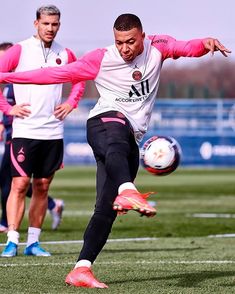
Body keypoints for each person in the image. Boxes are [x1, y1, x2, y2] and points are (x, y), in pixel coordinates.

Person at [0, 13, 231, 288]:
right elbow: (53, 74)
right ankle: (127, 190)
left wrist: (205, 44)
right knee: (118, 133)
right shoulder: (101, 58)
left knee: (104, 210)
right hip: (103, 123)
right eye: (119, 42)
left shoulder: (158, 47)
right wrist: (5, 76)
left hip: (128, 138)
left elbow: (186, 47)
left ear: (143, 37)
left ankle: (81, 268)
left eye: (131, 42)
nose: (124, 49)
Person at [0, 5, 84, 257]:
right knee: (19, 183)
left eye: (55, 24)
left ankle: (33, 243)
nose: (50, 28)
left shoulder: (65, 53)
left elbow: (80, 78)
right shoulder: (19, 50)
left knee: (42, 186)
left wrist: (71, 102)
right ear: (36, 23)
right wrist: (7, 108)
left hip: (53, 132)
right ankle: (12, 239)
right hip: (25, 130)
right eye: (46, 23)